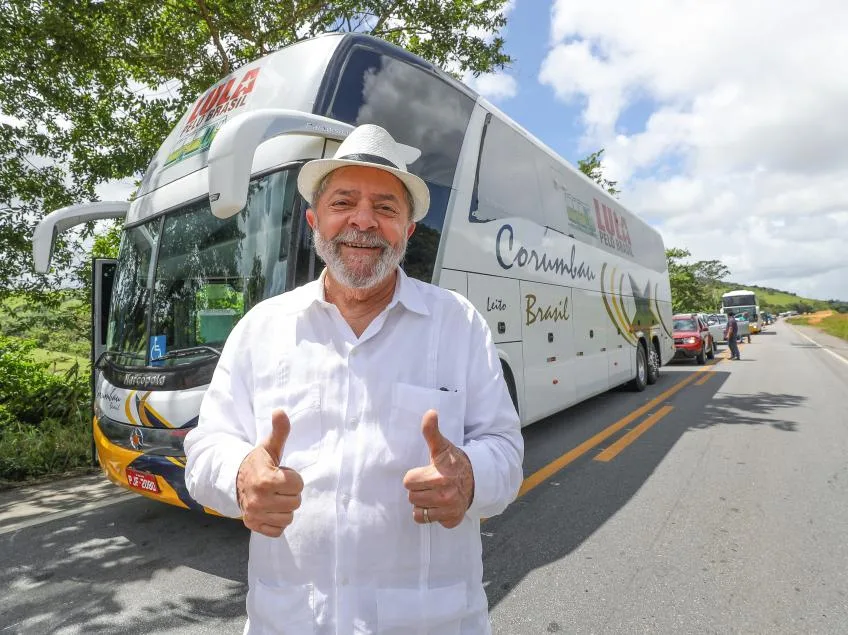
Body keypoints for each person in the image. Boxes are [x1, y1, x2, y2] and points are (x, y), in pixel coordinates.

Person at [184, 124, 524, 634]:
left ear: (407, 231)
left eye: (386, 208)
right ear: (314, 220)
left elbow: (505, 448)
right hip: (291, 622)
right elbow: (206, 448)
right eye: (344, 202)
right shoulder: (261, 327)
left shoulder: (459, 324)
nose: (363, 221)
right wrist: (238, 475)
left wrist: (471, 475)